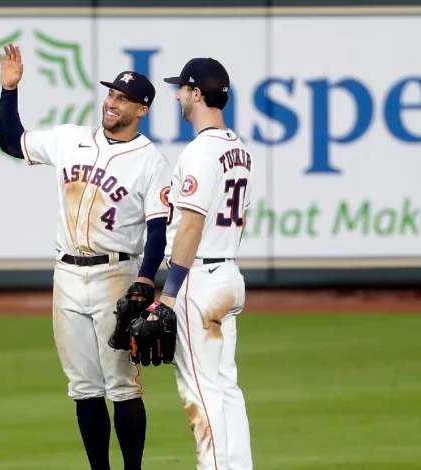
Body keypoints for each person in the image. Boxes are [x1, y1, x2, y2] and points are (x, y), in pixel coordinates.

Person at [0, 43, 173, 470]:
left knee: (123, 385)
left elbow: (158, 228)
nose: (112, 103)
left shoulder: (151, 161)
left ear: (141, 110)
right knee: (83, 386)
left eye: (123, 99)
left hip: (117, 272)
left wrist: (146, 279)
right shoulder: (69, 138)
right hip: (67, 273)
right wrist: (9, 91)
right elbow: (10, 141)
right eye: (111, 94)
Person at [154, 57, 255, 470]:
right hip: (228, 272)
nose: (177, 94)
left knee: (201, 391)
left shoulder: (201, 151)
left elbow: (191, 226)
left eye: (181, 88)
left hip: (199, 279)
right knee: (226, 387)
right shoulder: (239, 148)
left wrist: (169, 296)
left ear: (197, 93)